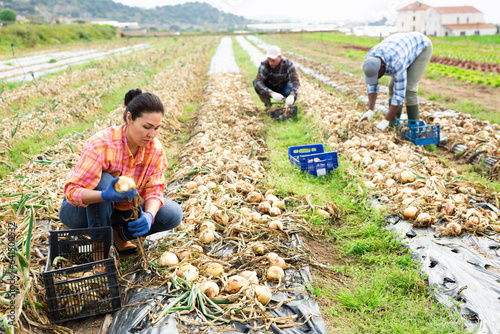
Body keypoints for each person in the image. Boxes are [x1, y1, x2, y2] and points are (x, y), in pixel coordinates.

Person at [59, 89, 183, 254]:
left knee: (172, 213)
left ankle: (119, 235)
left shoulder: (155, 150)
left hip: (121, 212)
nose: (152, 134)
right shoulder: (101, 144)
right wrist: (104, 195)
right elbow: (72, 193)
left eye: (157, 128)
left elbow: (154, 190)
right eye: (147, 127)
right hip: (81, 213)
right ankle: (100, 248)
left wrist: (150, 216)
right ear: (130, 118)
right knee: (104, 181)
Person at [359, 32, 433, 130]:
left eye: (377, 75)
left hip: (421, 47)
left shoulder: (396, 62)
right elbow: (372, 85)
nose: (376, 78)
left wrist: (385, 120)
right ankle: (393, 125)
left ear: (382, 67)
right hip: (401, 48)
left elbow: (399, 95)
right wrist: (371, 110)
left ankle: (414, 127)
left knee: (409, 89)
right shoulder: (370, 60)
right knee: (391, 86)